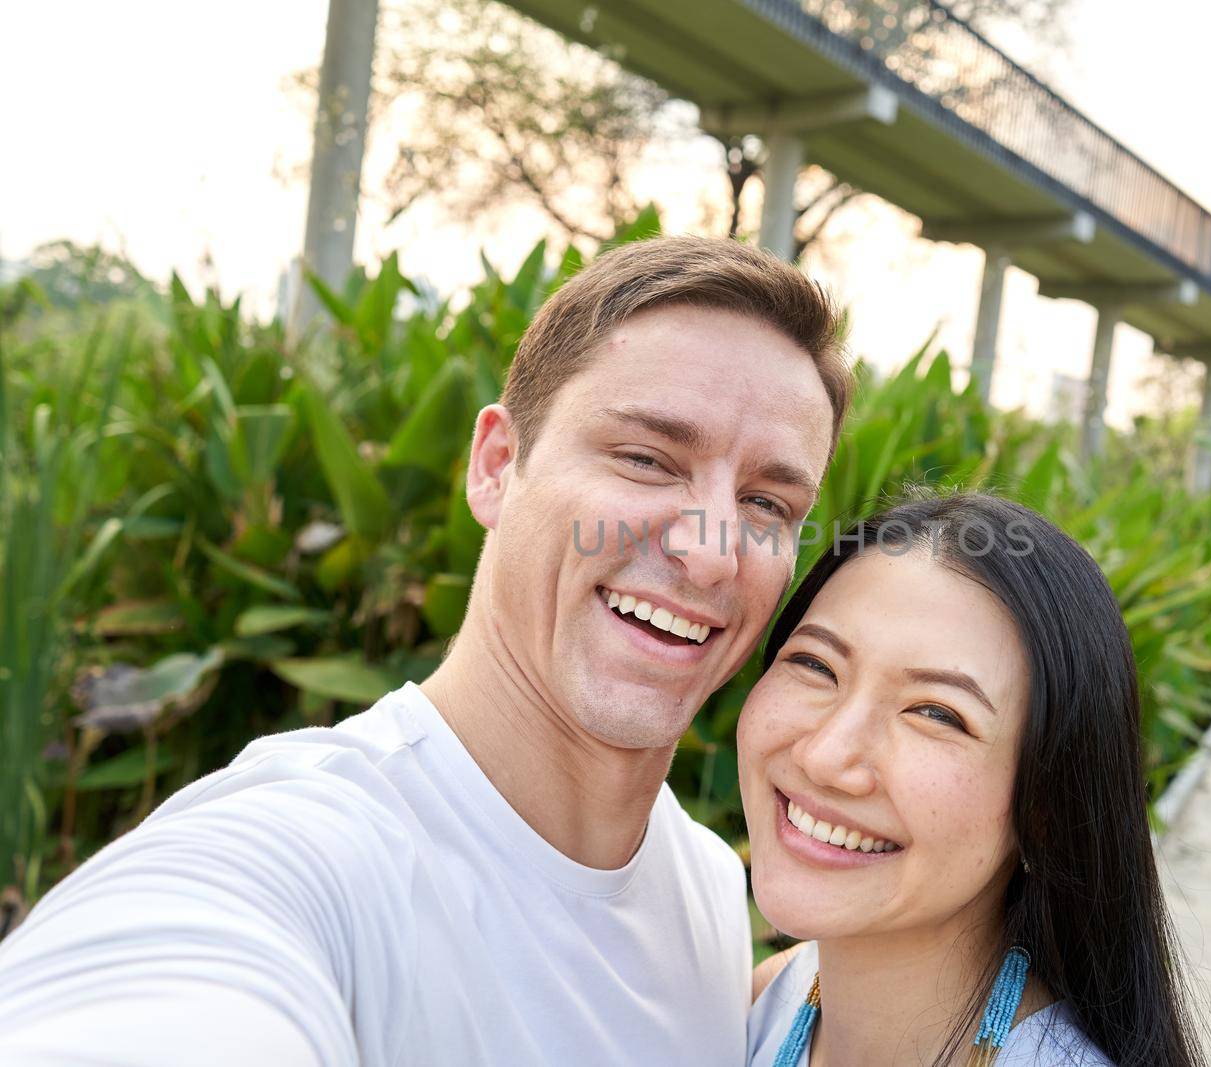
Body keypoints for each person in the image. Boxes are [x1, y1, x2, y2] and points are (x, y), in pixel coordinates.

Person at [0, 236, 854, 1066]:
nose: (712, 550)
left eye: (767, 504)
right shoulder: (304, 857)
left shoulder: (706, 885)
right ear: (494, 464)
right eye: (645, 458)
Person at [741, 493, 1207, 1067]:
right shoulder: (769, 1001)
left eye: (935, 713)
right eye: (816, 665)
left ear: (1045, 809)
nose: (825, 756)